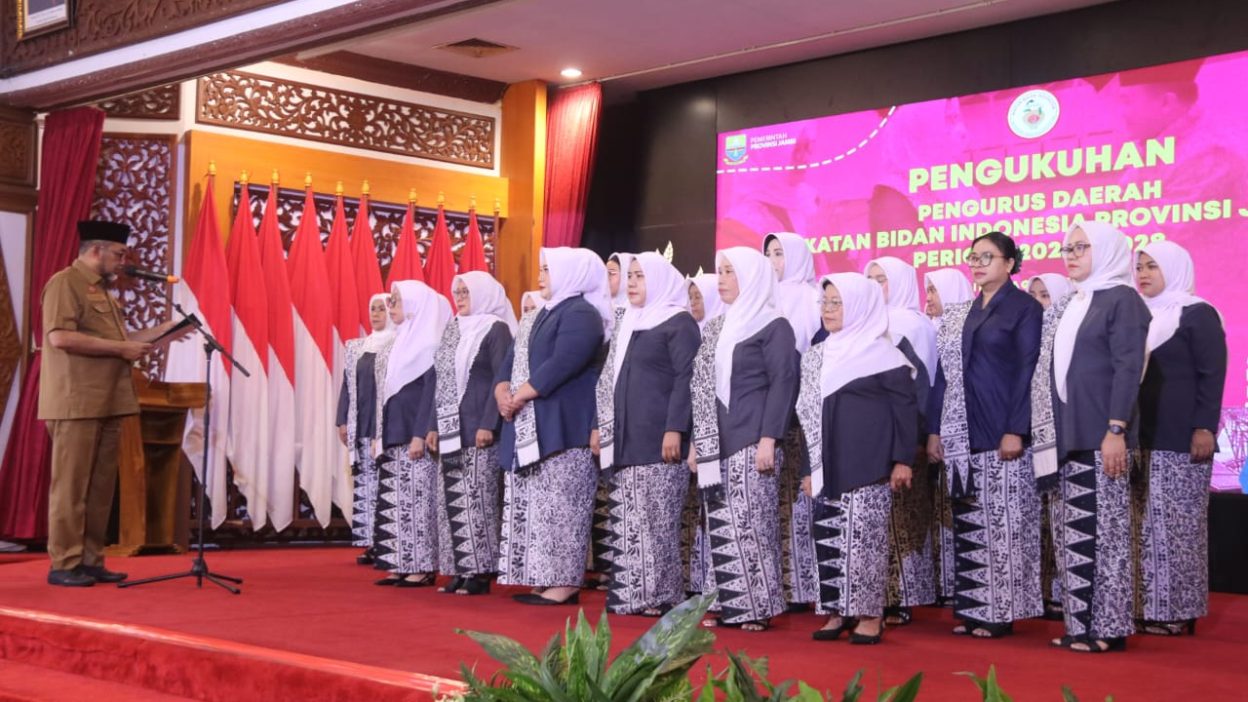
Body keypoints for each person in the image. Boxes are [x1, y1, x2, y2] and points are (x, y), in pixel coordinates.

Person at [39, 220, 191, 587]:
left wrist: (163, 333)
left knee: (100, 488)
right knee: (71, 487)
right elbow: (60, 337)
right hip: (77, 401)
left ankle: (91, 560)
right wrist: (122, 348)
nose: (123, 262)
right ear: (97, 250)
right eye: (119, 254)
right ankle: (65, 563)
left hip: (110, 400)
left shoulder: (104, 292)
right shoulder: (64, 283)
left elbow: (120, 341)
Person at [1036, 222, 1150, 653]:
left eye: (1081, 247)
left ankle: (1108, 627)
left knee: (1104, 534)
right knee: (1073, 535)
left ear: (1104, 251)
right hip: (1068, 436)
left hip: (1102, 434)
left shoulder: (1122, 299)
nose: (1071, 255)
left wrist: (1116, 428)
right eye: (1067, 248)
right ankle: (1079, 624)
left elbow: (1128, 368)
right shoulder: (1072, 302)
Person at [928, 232, 1044, 638]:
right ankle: (975, 609)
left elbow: (1029, 371)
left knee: (1004, 525)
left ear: (1010, 264)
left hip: (1001, 431)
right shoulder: (961, 312)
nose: (977, 264)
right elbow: (943, 376)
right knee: (971, 523)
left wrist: (1016, 429)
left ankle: (1001, 612)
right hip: (962, 433)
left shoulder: (1025, 308)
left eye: (987, 257)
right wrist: (934, 430)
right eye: (973, 257)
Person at [798, 273, 917, 645]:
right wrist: (807, 468)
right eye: (825, 302)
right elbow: (807, 416)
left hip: (869, 463)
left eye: (838, 303)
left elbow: (906, 412)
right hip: (825, 464)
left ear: (860, 306)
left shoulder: (885, 355)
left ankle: (869, 614)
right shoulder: (817, 355)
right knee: (827, 536)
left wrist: (902, 460)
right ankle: (836, 611)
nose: (828, 309)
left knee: (865, 542)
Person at [495, 247, 609, 605]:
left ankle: (564, 583)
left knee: (564, 506)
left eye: (547, 269)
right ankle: (543, 577)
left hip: (564, 427)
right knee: (538, 507)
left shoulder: (582, 314)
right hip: (528, 425)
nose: (540, 275)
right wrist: (502, 392)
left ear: (571, 273)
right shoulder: (539, 314)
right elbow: (508, 363)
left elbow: (564, 362)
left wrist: (519, 396)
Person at [695, 247, 797, 632]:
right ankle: (726, 603)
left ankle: (756, 606)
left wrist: (770, 437)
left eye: (729, 271)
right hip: (717, 439)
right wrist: (698, 441)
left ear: (751, 277)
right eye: (719, 271)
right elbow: (702, 387)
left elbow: (784, 383)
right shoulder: (718, 326)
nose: (721, 279)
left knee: (751, 524)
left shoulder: (774, 325)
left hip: (753, 437)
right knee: (721, 523)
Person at [597, 252, 699, 615]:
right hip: (626, 439)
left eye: (640, 276)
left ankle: (659, 595)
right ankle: (634, 593)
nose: (632, 283)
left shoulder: (679, 322)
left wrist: (675, 428)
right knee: (631, 520)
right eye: (631, 276)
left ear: (658, 280)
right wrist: (599, 426)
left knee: (657, 522)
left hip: (659, 440)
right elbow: (609, 380)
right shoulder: (629, 321)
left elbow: (688, 379)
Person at [1133, 241, 1226, 636]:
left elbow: (1212, 374)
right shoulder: (1138, 314)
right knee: (1144, 527)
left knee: (1178, 528)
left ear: (1174, 268)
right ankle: (1146, 606)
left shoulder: (1197, 313)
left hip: (1182, 437)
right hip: (1141, 435)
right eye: (1140, 266)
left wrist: (1204, 426)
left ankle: (1177, 611)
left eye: (1152, 266)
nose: (1143, 274)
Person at [431, 272, 516, 595]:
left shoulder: (496, 328)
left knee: (476, 500)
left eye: (466, 292)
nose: (460, 297)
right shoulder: (453, 327)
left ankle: (478, 571)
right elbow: (442, 380)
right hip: (450, 427)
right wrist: (432, 426)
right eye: (457, 292)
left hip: (478, 428)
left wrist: (488, 423)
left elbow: (502, 378)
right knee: (450, 502)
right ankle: (457, 569)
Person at [864, 256, 937, 624]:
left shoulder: (912, 324)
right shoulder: (869, 322)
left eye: (883, 279)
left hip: (909, 435)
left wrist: (915, 437)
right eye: (870, 279)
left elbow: (923, 385)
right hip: (875, 434)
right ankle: (883, 595)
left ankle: (906, 595)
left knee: (906, 515)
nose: (875, 286)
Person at [372, 281, 451, 587]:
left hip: (414, 435)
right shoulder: (399, 341)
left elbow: (431, 395)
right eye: (390, 301)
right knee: (397, 502)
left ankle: (421, 566)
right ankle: (400, 562)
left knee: (418, 504)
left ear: (415, 304)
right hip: (394, 432)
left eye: (396, 301)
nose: (390, 307)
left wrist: (421, 433)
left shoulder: (430, 344)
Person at [763, 232, 821, 610]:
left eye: (780, 253)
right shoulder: (763, 299)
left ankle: (807, 586)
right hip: (771, 412)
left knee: (803, 498)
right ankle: (782, 584)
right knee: (777, 502)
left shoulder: (813, 298)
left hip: (803, 413)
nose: (772, 261)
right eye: (768, 253)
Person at [922, 266, 974, 603]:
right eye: (927, 290)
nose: (928, 298)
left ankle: (963, 585)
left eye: (934, 290)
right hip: (941, 432)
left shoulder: (967, 328)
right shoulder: (930, 329)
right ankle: (946, 584)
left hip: (968, 433)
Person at [1026, 271, 1073, 618]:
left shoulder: (1066, 334)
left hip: (1059, 437)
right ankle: (1038, 590)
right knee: (1036, 519)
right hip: (1026, 437)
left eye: (1045, 295)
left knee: (1058, 515)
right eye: (1033, 295)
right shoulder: (1023, 335)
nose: (1038, 303)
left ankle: (1059, 591)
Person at [588, 252, 637, 590]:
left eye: (616, 273)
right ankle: (607, 566)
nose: (611, 280)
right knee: (606, 494)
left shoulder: (635, 315)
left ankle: (623, 567)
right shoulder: (601, 313)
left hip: (631, 419)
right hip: (604, 412)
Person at [336, 293, 395, 565]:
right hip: (361, 426)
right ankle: (372, 542)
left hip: (385, 427)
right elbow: (347, 385)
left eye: (382, 308)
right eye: (373, 308)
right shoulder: (358, 347)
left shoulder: (397, 345)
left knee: (384, 485)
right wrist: (342, 420)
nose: (376, 314)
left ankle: (388, 543)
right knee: (367, 485)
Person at [681, 272, 724, 596]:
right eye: (691, 297)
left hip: (718, 433)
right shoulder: (696, 333)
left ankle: (713, 584)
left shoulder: (720, 335)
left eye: (699, 297)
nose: (694, 303)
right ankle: (698, 581)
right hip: (694, 433)